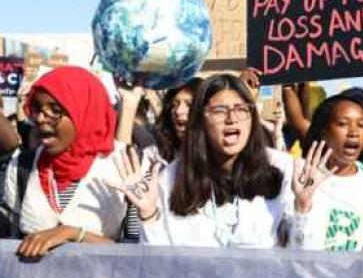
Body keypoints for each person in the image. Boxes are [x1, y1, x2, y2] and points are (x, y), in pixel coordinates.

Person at [111, 74, 296, 249]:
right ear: (200, 120)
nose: (231, 119)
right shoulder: (170, 179)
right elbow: (162, 265)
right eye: (219, 111)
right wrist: (149, 216)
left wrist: (304, 209)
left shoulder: (282, 168)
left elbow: (304, 260)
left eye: (241, 109)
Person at [2, 66, 127, 257]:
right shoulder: (22, 167)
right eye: (37, 108)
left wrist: (73, 234)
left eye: (55, 110)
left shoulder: (123, 166)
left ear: (84, 111)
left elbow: (140, 255)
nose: (41, 119)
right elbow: (10, 244)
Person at [291, 89, 363, 251]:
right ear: (324, 131)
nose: (354, 133)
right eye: (343, 124)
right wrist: (302, 206)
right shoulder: (300, 177)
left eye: (361, 125)